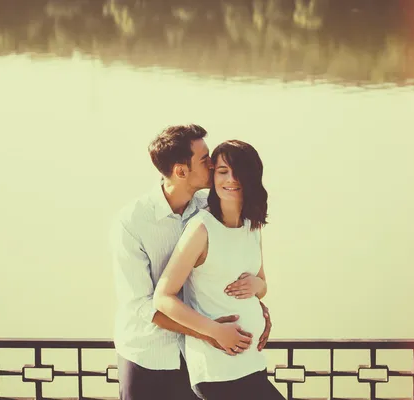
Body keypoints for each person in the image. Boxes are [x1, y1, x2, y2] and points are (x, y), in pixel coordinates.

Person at [110, 125, 273, 400]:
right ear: (181, 171)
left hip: (201, 359)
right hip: (148, 356)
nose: (213, 165)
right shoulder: (131, 223)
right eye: (205, 159)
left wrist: (256, 307)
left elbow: (225, 268)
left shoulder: (210, 206)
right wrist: (209, 332)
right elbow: (142, 305)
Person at [153, 140, 284, 400]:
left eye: (238, 172)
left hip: (253, 362)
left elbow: (262, 284)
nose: (231, 179)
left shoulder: (252, 225)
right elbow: (163, 298)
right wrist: (214, 331)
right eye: (223, 171)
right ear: (213, 176)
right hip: (218, 369)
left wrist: (259, 287)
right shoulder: (201, 228)